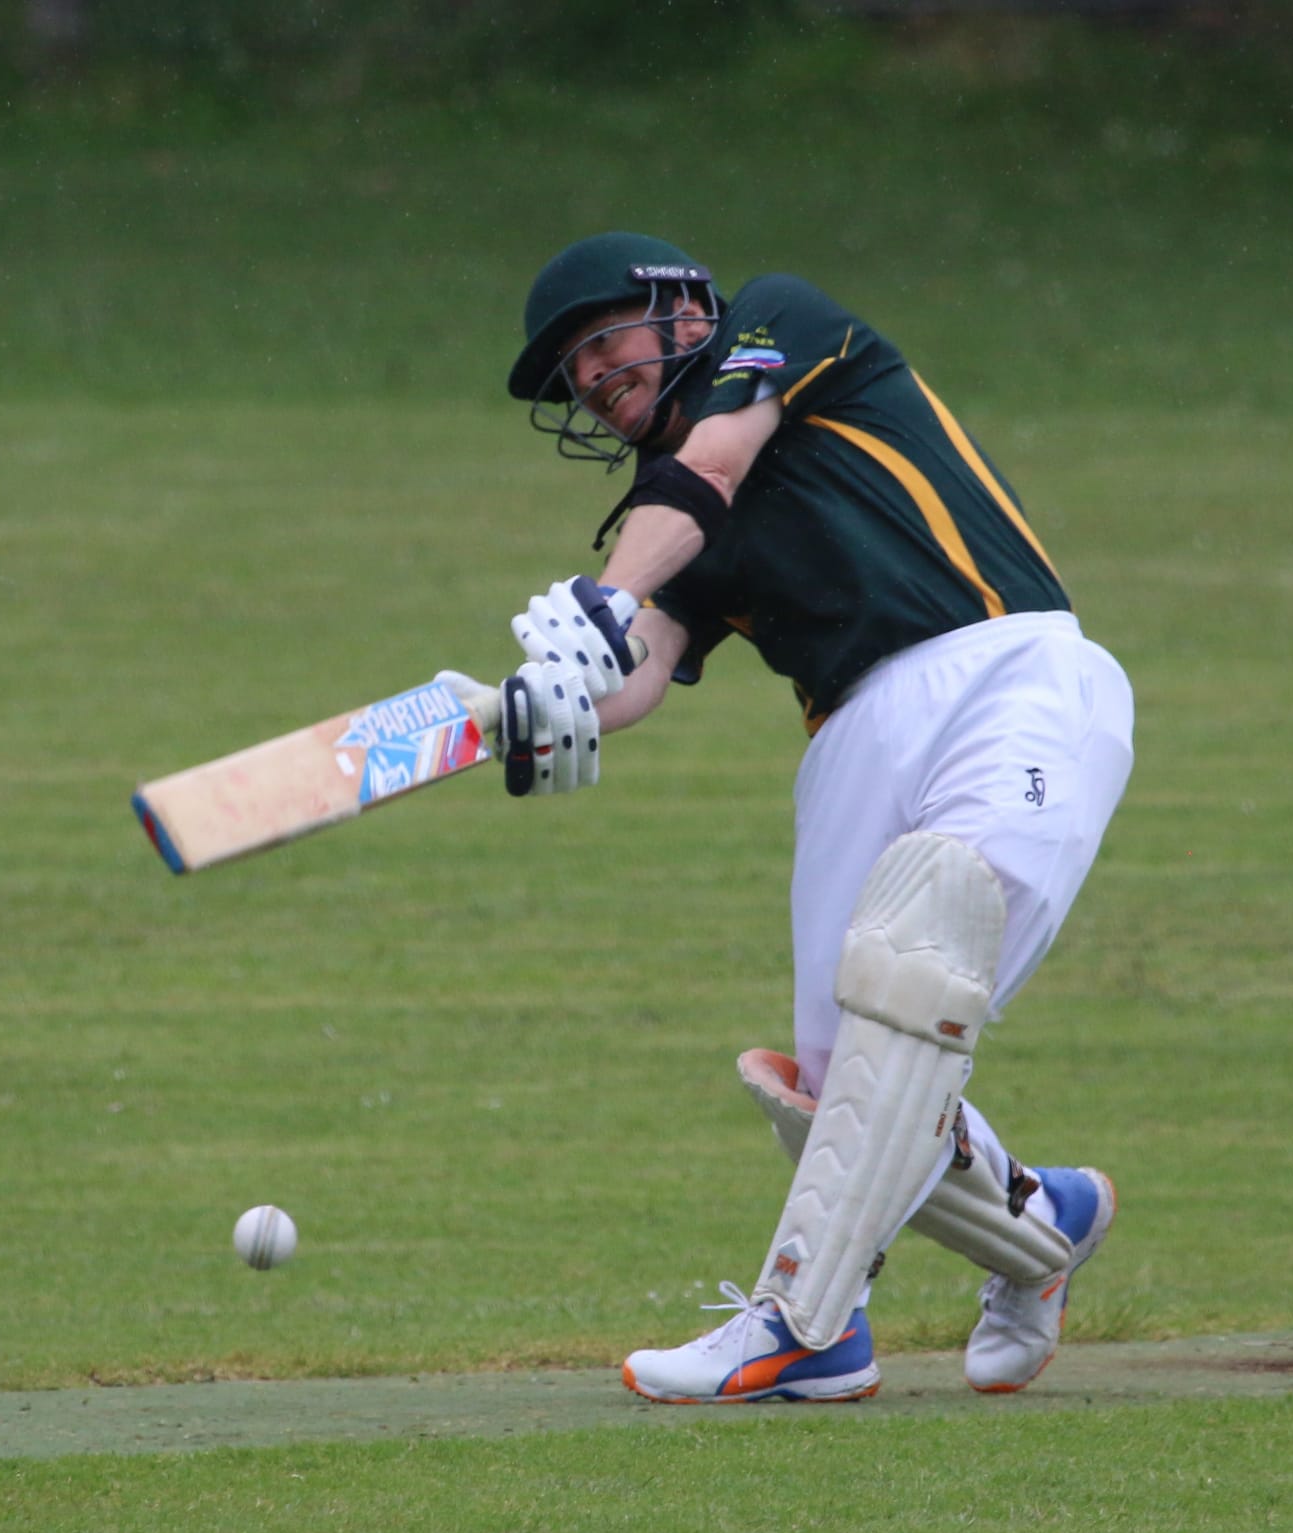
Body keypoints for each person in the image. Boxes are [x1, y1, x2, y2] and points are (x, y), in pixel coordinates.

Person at [452, 232, 1134, 1403]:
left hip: (1005, 670)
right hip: (849, 739)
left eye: (602, 341)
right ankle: (1044, 1221)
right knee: (833, 1088)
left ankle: (806, 1323)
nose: (593, 379)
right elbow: (640, 672)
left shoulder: (782, 324)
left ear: (676, 311)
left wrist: (603, 598)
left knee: (914, 975)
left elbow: (713, 464)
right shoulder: (660, 519)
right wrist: (534, 706)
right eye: (572, 371)